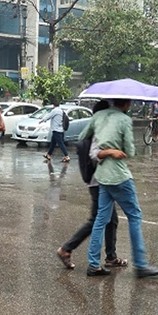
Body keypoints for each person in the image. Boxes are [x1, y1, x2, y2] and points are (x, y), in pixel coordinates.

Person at [80, 98, 158, 278]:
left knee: (101, 219)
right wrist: (115, 149)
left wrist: (104, 146)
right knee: (135, 215)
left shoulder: (99, 116)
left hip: (102, 176)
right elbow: (130, 151)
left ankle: (93, 264)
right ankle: (140, 264)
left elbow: (82, 136)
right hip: (118, 176)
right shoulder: (124, 119)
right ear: (126, 104)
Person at [57, 101, 128, 270]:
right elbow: (96, 155)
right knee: (97, 219)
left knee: (111, 220)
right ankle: (66, 248)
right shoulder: (100, 131)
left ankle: (111, 257)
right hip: (99, 182)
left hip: (97, 181)